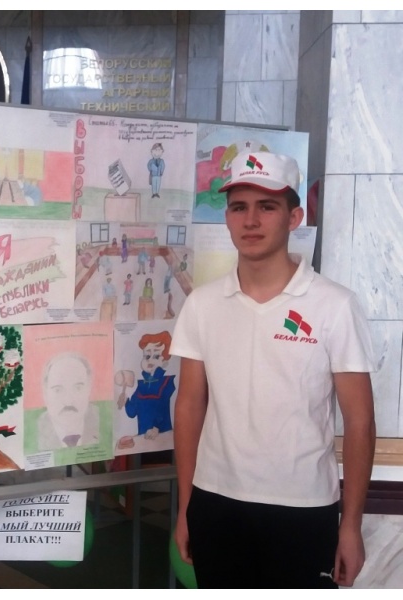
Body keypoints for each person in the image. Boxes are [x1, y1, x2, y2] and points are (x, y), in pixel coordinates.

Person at [171, 151, 376, 588]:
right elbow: (188, 407)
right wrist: (186, 506)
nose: (250, 220)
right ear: (227, 219)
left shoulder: (335, 306)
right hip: (215, 502)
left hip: (304, 508)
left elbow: (360, 422)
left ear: (294, 217)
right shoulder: (202, 305)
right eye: (238, 207)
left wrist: (351, 524)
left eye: (266, 207)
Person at [37, 353, 99, 450]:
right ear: (45, 393)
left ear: (89, 389)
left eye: (78, 388)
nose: (68, 401)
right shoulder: (32, 430)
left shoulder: (104, 419)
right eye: (58, 390)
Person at [119, 331, 175, 440]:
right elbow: (132, 412)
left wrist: (157, 427)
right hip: (143, 438)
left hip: (162, 437)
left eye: (156, 356)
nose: (150, 360)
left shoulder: (167, 382)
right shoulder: (141, 385)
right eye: (147, 356)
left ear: (164, 360)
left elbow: (163, 409)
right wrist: (126, 401)